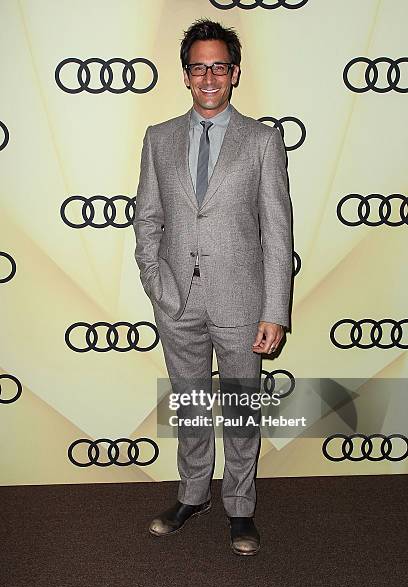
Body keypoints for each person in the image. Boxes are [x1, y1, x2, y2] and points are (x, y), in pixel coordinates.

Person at [133, 18, 293, 556]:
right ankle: (193, 493)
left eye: (218, 67)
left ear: (235, 73)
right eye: (198, 67)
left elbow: (277, 229)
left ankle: (240, 506)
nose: (208, 77)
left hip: (243, 301)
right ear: (185, 75)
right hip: (177, 299)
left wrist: (275, 310)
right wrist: (157, 284)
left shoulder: (263, 141)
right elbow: (148, 219)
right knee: (193, 404)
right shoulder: (158, 139)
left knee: (242, 408)